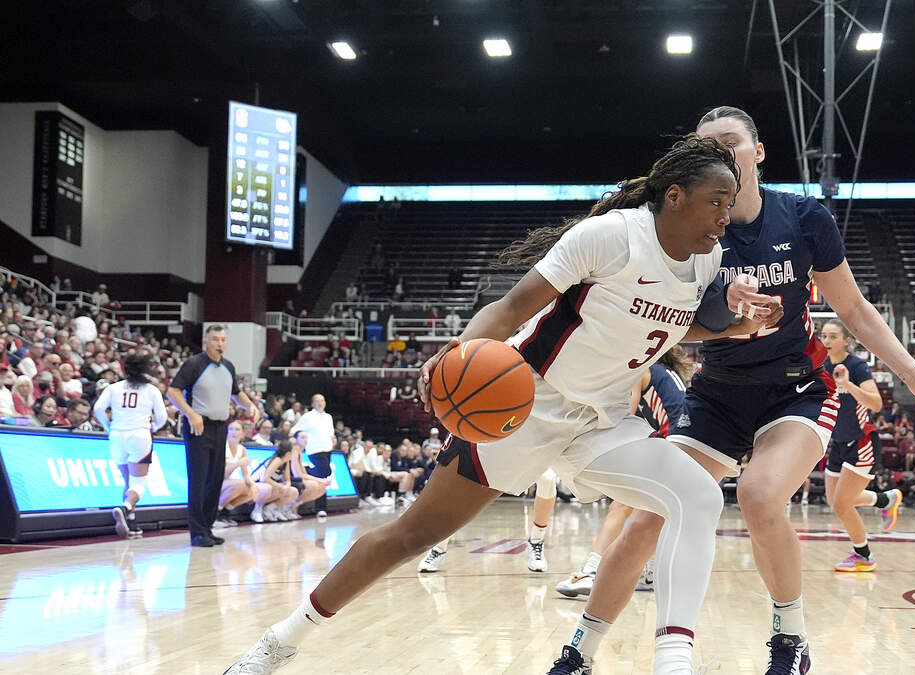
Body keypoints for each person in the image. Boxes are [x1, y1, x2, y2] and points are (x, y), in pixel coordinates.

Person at [225, 135, 774, 675]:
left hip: (600, 420)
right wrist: (453, 353)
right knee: (411, 536)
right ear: (674, 196)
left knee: (698, 495)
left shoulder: (709, 261)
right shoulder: (609, 237)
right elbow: (510, 307)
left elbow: (673, 325)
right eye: (716, 202)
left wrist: (734, 328)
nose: (726, 216)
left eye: (730, 203)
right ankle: (280, 642)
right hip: (523, 406)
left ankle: (674, 659)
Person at [549, 107, 915, 675]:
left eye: (732, 143)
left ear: (759, 151)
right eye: (709, 148)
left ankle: (791, 642)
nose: (723, 155)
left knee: (760, 494)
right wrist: (724, 308)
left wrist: (912, 372)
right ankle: (581, 651)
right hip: (718, 391)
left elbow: (851, 306)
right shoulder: (687, 230)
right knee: (651, 515)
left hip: (796, 389)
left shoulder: (803, 218)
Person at [555, 345, 693, 598]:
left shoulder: (641, 370)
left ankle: (592, 570)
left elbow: (621, 415)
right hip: (690, 442)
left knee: (621, 505)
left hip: (675, 441)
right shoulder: (666, 371)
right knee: (655, 510)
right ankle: (650, 571)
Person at [818, 320, 902, 573]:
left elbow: (876, 404)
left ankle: (864, 556)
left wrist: (847, 385)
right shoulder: (820, 365)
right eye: (824, 336)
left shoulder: (857, 366)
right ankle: (886, 499)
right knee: (835, 502)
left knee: (843, 505)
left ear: (846, 340)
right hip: (838, 442)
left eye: (833, 336)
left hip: (861, 442)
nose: (827, 341)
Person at [166, 325, 260, 548]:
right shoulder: (194, 364)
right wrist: (190, 414)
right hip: (199, 427)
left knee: (215, 480)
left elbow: (236, 393)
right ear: (206, 341)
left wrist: (250, 406)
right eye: (216, 339)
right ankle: (197, 532)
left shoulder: (228, 366)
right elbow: (173, 391)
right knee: (198, 480)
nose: (220, 344)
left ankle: (207, 527)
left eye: (223, 340)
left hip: (221, 428)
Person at [92, 351, 168, 538]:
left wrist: (108, 426)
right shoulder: (151, 390)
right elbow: (163, 418)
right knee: (139, 482)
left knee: (127, 481)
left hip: (117, 435)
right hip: (139, 434)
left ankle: (132, 521)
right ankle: (126, 508)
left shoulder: (113, 387)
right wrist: (154, 427)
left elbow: (98, 408)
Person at [292, 394, 336, 518]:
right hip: (314, 450)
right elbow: (295, 430)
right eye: (317, 401)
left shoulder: (328, 417)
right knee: (325, 471)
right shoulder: (307, 417)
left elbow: (330, 433)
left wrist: (333, 440)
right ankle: (306, 471)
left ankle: (321, 508)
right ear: (312, 404)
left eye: (322, 400)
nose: (320, 403)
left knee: (323, 478)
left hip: (327, 449)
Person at [216, 421, 262, 526]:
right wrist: (238, 463)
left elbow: (245, 474)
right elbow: (221, 474)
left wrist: (254, 486)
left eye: (237, 429)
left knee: (252, 491)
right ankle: (215, 514)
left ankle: (225, 513)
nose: (233, 432)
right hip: (215, 481)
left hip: (227, 483)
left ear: (242, 433)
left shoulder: (242, 450)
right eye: (231, 429)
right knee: (240, 484)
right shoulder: (221, 446)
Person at [252, 440, 301, 522]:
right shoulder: (277, 460)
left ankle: (270, 509)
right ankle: (256, 511)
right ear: (288, 453)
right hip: (256, 485)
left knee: (293, 491)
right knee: (267, 488)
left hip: (269, 486)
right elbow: (265, 479)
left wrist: (287, 486)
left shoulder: (286, 461)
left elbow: (287, 479)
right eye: (293, 451)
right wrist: (281, 486)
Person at [287, 430, 329, 519]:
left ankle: (295, 505)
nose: (305, 440)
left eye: (306, 437)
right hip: (289, 478)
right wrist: (319, 479)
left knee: (322, 487)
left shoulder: (300, 452)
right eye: (302, 437)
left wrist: (320, 481)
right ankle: (290, 506)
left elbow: (304, 473)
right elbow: (297, 474)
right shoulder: (294, 450)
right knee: (313, 485)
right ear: (296, 439)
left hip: (297, 478)